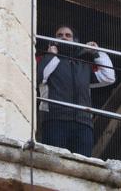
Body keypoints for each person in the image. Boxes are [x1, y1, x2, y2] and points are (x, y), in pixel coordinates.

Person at [37, 25, 116, 157]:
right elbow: (38, 76)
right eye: (59, 35)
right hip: (55, 120)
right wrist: (51, 54)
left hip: (83, 123)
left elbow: (109, 77)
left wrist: (96, 53)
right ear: (53, 40)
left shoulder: (84, 65)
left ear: (75, 40)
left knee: (82, 164)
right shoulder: (45, 59)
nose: (64, 37)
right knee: (53, 162)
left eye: (68, 35)